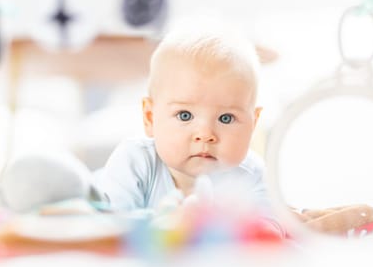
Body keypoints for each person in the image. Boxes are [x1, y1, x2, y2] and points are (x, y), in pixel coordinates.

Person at [96, 16, 268, 212]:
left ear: (253, 124)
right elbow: (116, 228)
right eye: (184, 115)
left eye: (225, 118)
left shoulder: (252, 176)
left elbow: (268, 229)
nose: (205, 134)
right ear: (150, 118)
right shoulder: (135, 162)